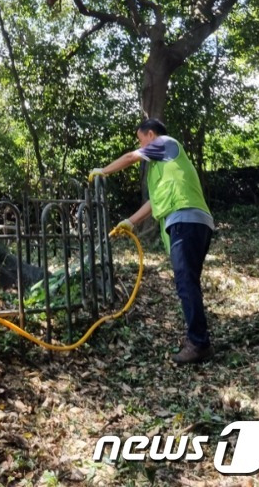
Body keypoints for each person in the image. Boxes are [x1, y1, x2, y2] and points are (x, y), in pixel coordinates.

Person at [89, 118, 215, 365]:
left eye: (140, 139)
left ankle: (199, 343)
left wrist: (102, 171)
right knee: (189, 283)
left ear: (149, 134)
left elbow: (129, 158)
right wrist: (131, 221)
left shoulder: (165, 143)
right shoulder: (166, 167)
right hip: (195, 221)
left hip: (185, 219)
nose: (141, 145)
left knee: (186, 283)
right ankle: (197, 337)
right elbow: (154, 202)